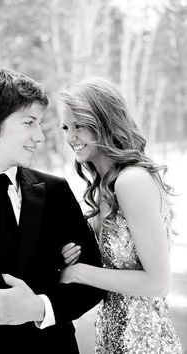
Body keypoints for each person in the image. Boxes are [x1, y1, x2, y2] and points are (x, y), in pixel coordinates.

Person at [0, 67, 104, 353]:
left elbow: (93, 280)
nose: (40, 137)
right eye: (29, 123)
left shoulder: (55, 192)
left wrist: (39, 307)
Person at [59, 77, 184, 354]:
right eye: (66, 127)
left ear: (104, 122)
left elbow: (158, 282)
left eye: (79, 126)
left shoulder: (132, 181)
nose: (70, 138)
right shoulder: (105, 186)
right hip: (111, 338)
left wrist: (78, 272)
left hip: (146, 343)